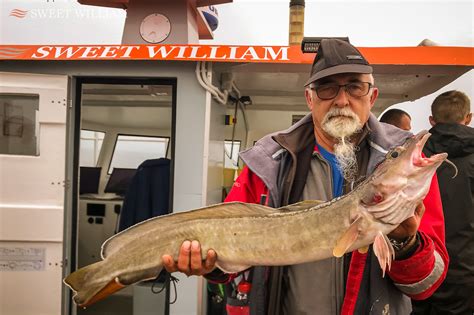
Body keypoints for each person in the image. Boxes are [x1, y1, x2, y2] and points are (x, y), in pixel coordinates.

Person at [162, 39, 449, 314]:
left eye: (355, 88)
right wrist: (210, 265)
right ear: (309, 98)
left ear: (372, 96)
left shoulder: (406, 172)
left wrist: (405, 243)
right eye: (326, 88)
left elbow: (426, 285)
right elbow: (231, 262)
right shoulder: (267, 163)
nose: (341, 100)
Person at [412, 90, 474, 315]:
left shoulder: (415, 155)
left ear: (431, 121)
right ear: (468, 118)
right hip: (464, 268)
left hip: (420, 262)